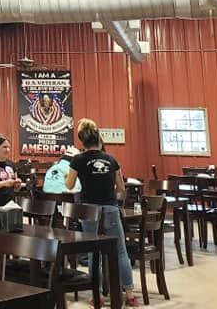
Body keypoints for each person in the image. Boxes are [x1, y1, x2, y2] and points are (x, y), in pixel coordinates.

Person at [66, 118, 138, 307]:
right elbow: (121, 187)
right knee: (121, 252)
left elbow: (69, 184)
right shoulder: (111, 159)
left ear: (82, 142)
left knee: (93, 253)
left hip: (90, 210)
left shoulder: (77, 160)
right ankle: (130, 294)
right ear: (99, 140)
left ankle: (97, 296)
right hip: (111, 208)